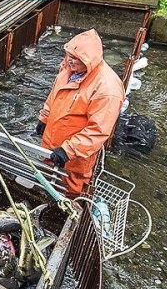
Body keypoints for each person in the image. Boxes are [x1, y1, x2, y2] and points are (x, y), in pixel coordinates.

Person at [36, 29, 125, 197]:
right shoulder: (69, 68)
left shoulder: (107, 88)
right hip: (51, 144)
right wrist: (44, 117)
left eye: (76, 58)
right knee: (46, 181)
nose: (70, 60)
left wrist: (68, 151)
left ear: (89, 60)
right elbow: (55, 94)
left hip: (75, 156)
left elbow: (97, 130)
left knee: (69, 192)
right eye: (69, 55)